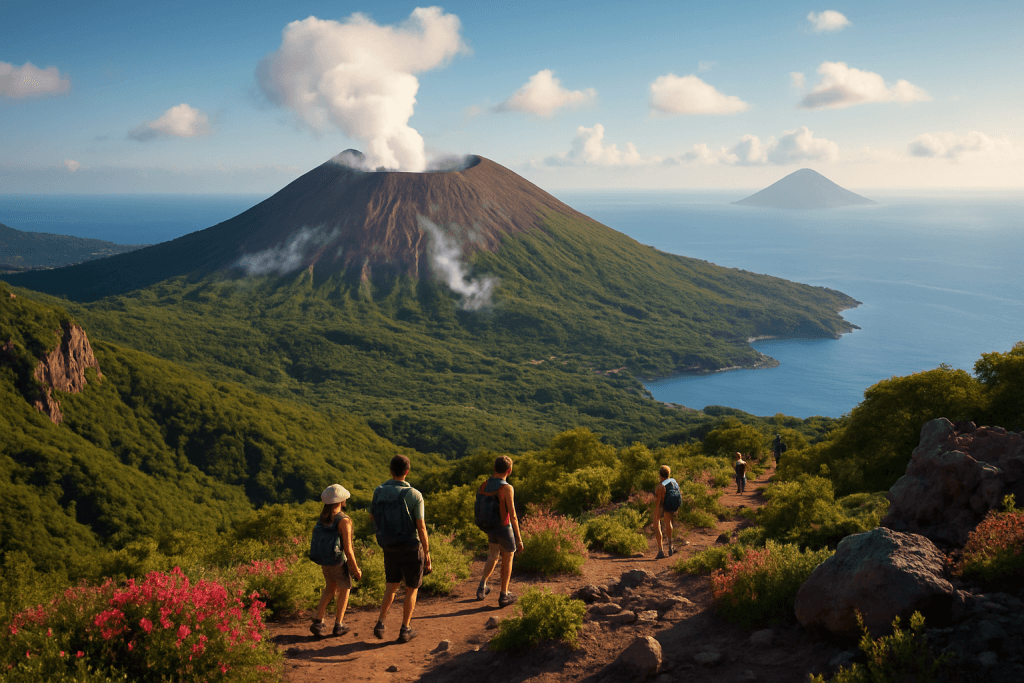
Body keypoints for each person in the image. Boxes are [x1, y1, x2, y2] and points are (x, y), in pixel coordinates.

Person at [370, 455, 431, 644]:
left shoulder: (379, 491)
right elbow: (421, 527)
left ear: (390, 470)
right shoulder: (414, 494)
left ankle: (381, 623)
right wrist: (427, 553)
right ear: (407, 472)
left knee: (391, 586)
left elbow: (372, 517)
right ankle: (405, 629)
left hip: (389, 545)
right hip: (411, 546)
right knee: (411, 589)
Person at [310, 484, 362, 637]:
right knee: (345, 588)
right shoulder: (343, 520)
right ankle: (339, 624)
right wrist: (356, 569)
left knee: (330, 588)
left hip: (324, 559)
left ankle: (318, 621)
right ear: (341, 501)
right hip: (338, 561)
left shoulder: (323, 518)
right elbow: (348, 549)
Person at [474, 456, 525, 608]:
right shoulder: (506, 488)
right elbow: (513, 515)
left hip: (490, 527)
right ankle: (504, 594)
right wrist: (519, 539)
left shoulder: (484, 484)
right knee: (507, 558)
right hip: (503, 528)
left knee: (493, 555)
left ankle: (482, 586)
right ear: (509, 470)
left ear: (494, 468)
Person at [653, 465, 681, 559]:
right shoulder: (673, 482)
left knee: (657, 524)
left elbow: (658, 500)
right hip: (670, 506)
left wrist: (656, 511)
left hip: (661, 505)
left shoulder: (660, 486)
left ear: (660, 474)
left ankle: (660, 550)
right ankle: (670, 547)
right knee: (668, 523)